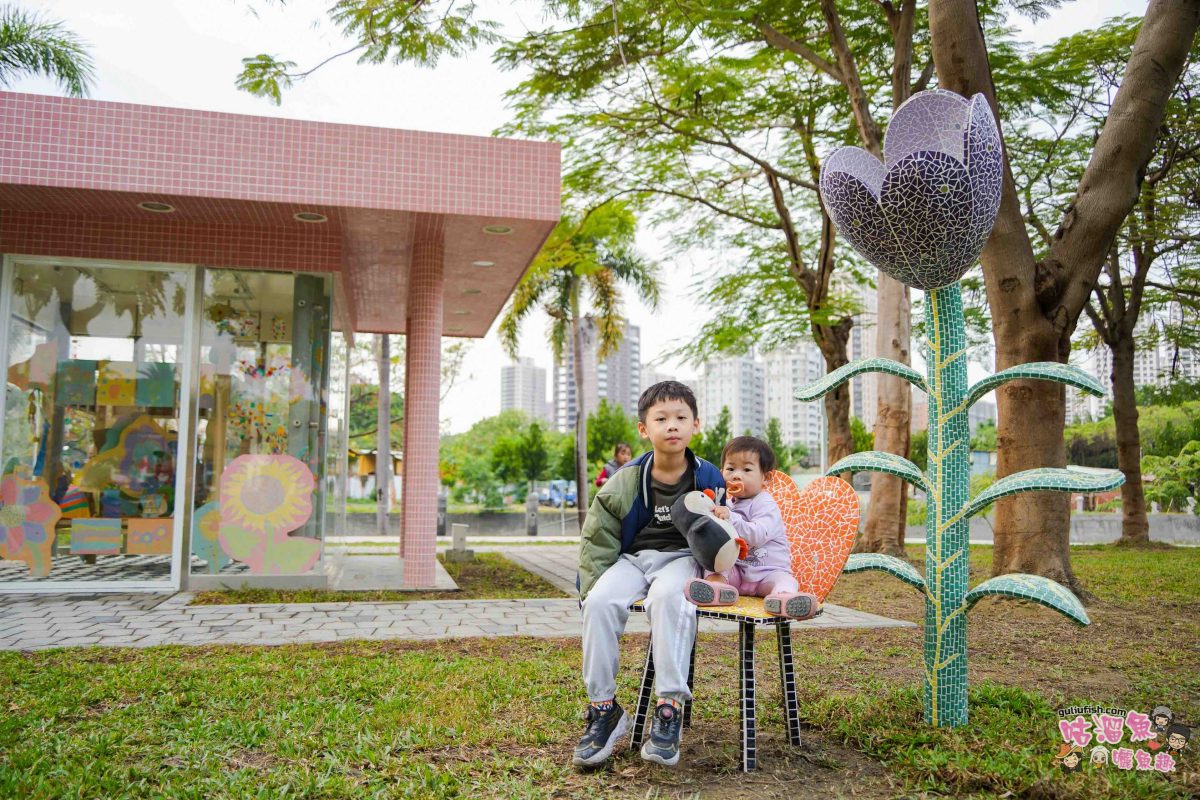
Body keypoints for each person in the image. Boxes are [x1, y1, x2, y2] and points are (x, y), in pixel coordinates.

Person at [573, 381, 724, 770]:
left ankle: (668, 707)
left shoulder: (709, 477)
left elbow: (725, 533)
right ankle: (603, 710)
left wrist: (719, 573)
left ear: (695, 425)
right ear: (644, 429)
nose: (672, 425)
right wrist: (590, 587)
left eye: (681, 417)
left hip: (681, 558)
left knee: (668, 598)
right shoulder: (626, 479)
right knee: (600, 602)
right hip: (633, 558)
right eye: (661, 419)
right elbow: (597, 537)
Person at [683, 436, 819, 620]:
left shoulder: (765, 503)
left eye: (747, 469)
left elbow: (758, 535)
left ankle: (784, 598)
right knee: (714, 564)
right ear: (721, 473)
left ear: (766, 478)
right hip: (737, 573)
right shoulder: (726, 505)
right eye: (730, 469)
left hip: (767, 573)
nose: (736, 475)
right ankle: (717, 588)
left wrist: (730, 518)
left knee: (784, 579)